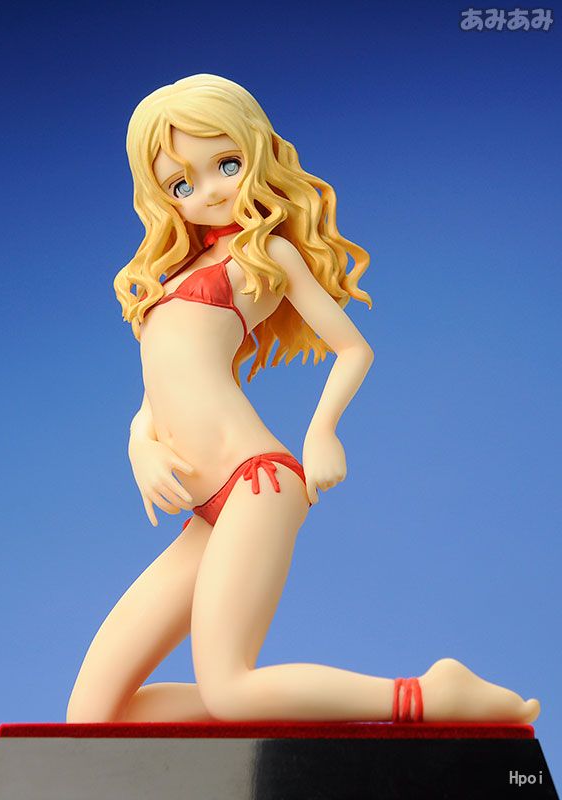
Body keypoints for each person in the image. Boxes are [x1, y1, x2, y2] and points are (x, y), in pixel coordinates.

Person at [67, 74, 539, 725]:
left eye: (226, 164)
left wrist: (323, 432)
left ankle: (429, 696)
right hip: (206, 508)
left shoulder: (267, 254)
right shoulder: (172, 275)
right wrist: (138, 444)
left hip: (254, 482)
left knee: (229, 689)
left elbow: (353, 349)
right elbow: (163, 385)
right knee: (94, 716)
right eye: (181, 184)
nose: (210, 191)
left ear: (256, 153)